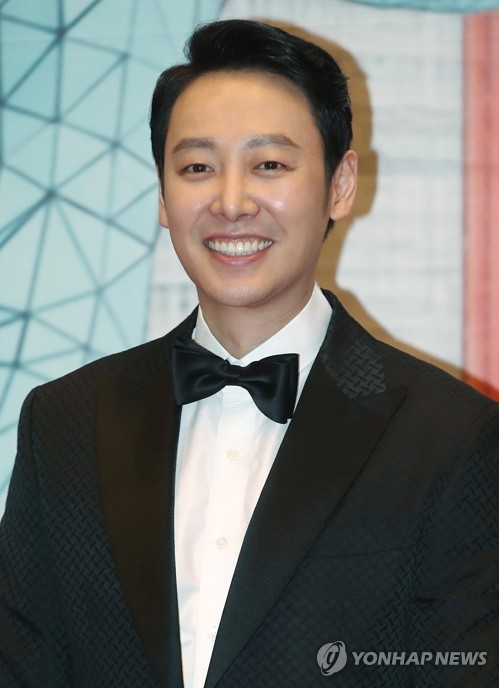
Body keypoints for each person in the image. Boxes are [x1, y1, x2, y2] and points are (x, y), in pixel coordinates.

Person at [0, 18, 498, 688]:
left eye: (269, 165)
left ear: (340, 184)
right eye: (197, 168)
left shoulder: (452, 438)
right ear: (162, 194)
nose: (231, 202)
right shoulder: (62, 422)